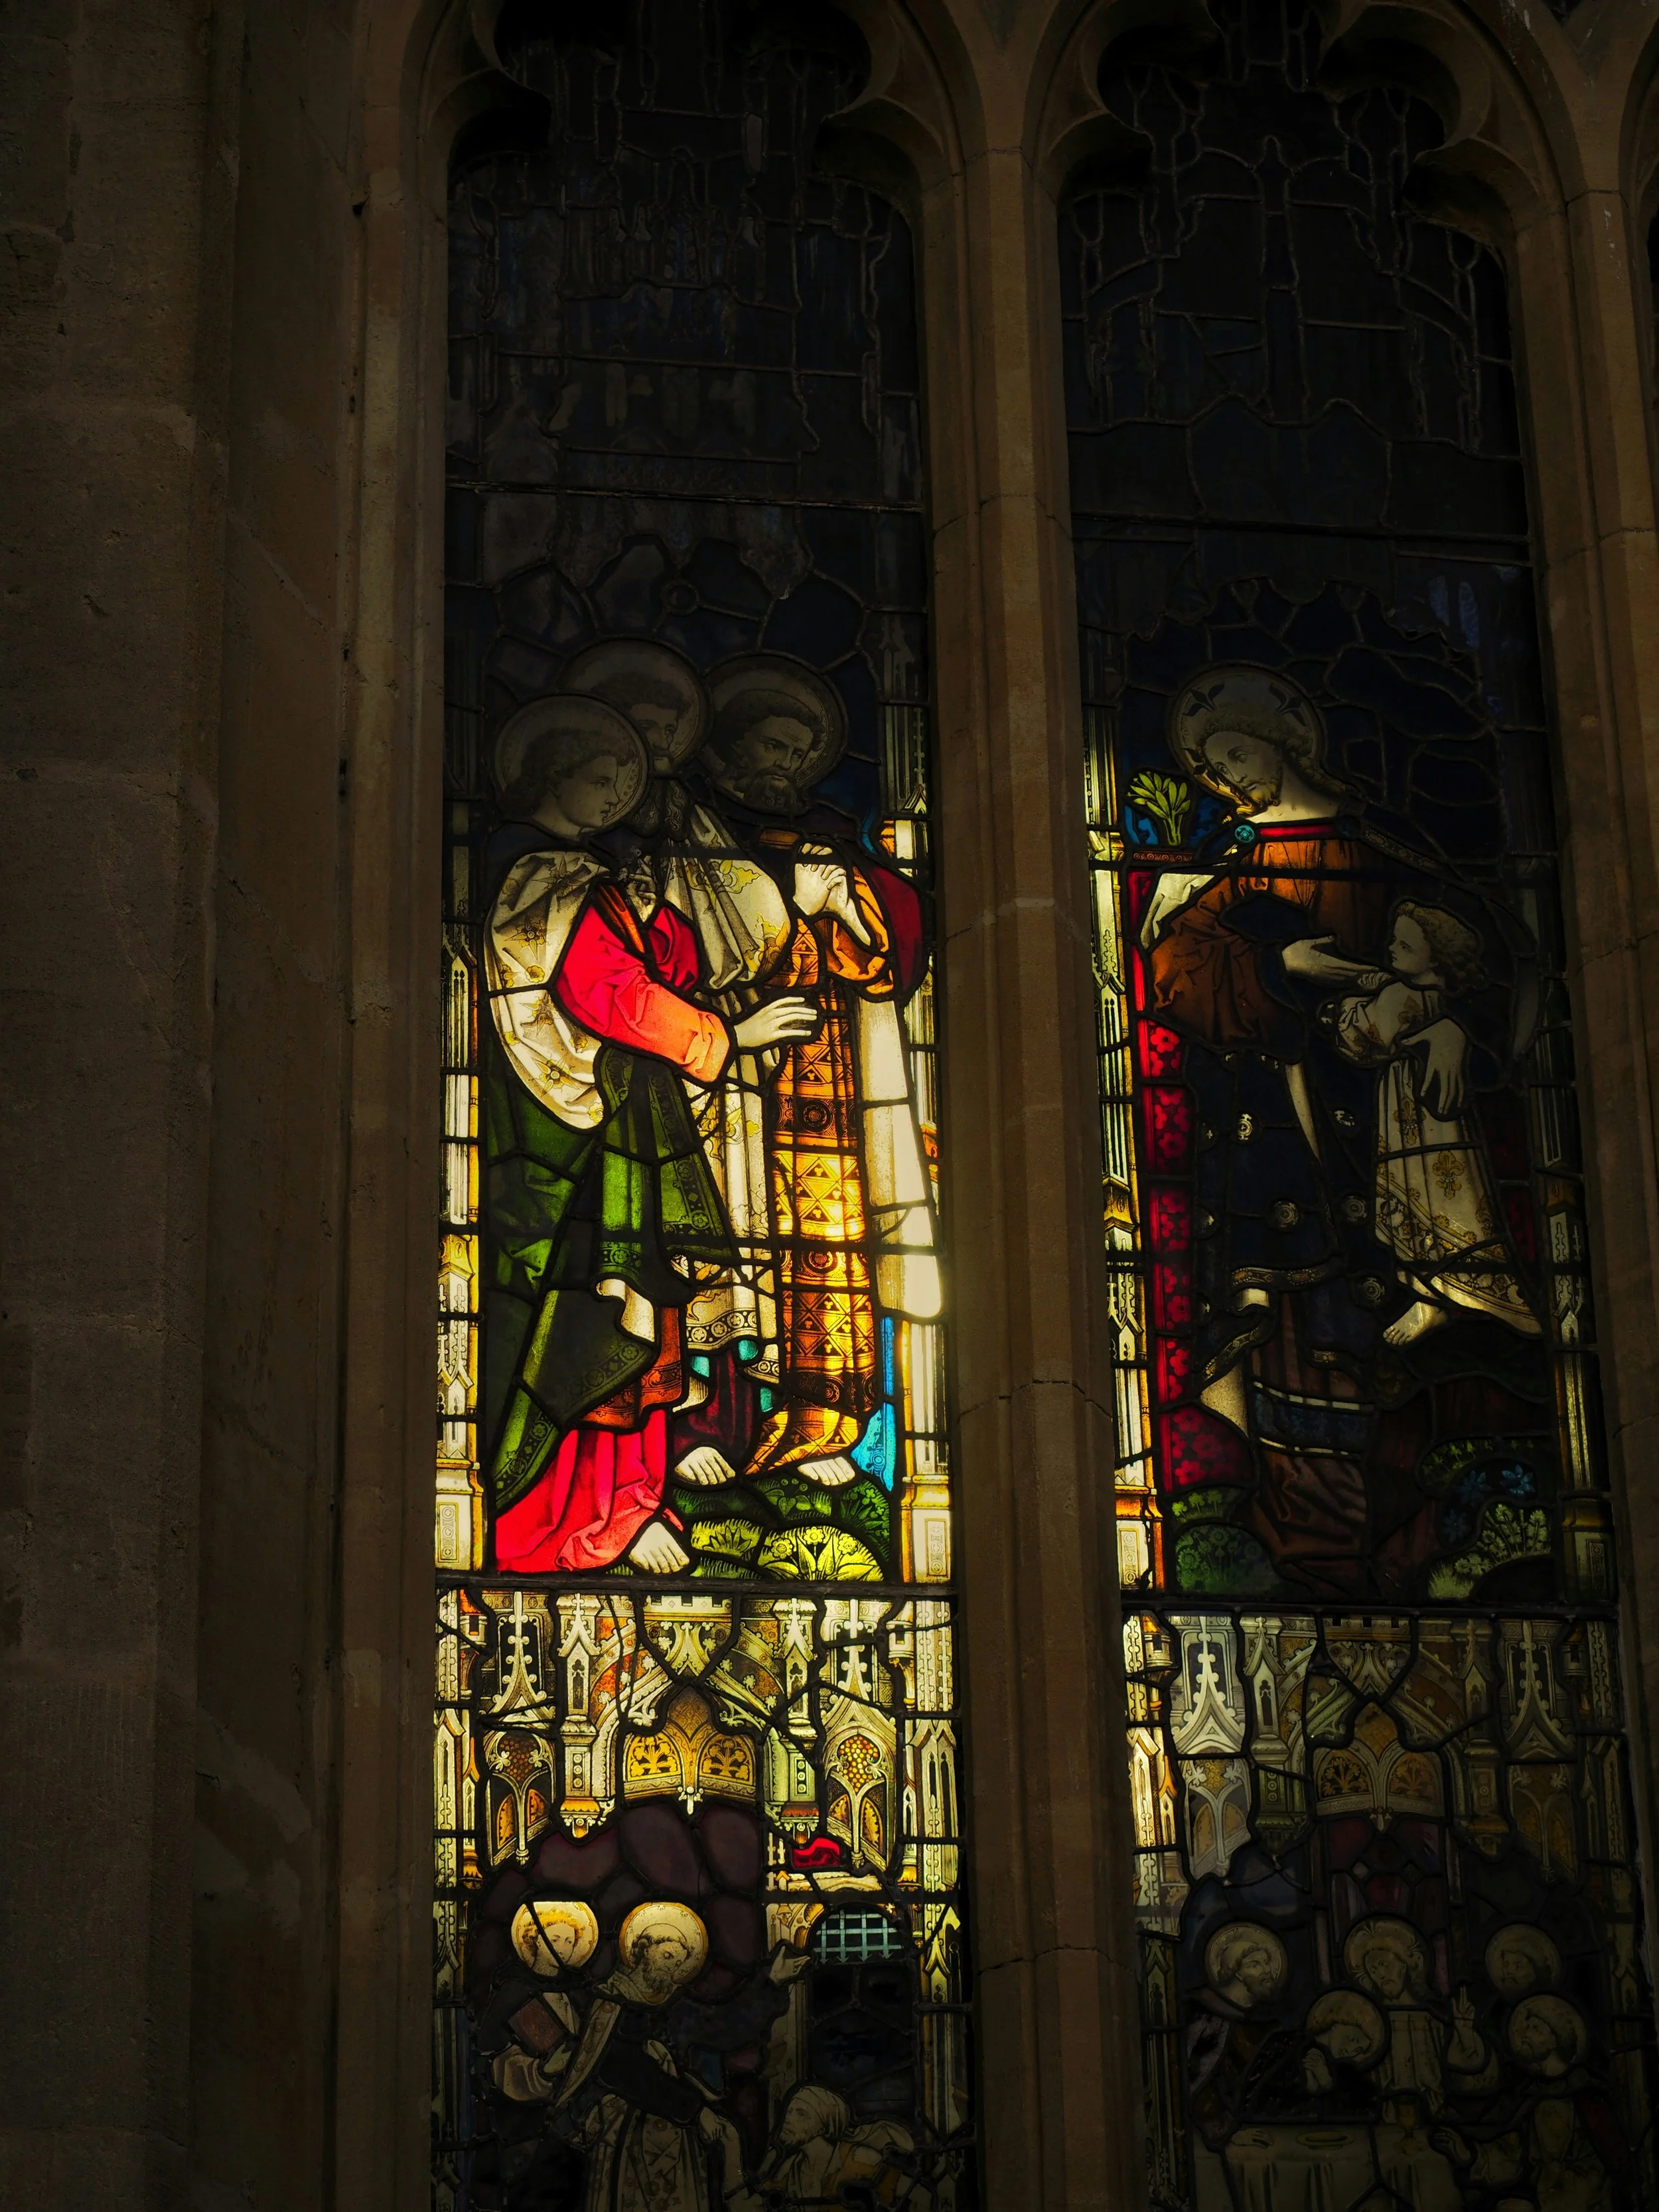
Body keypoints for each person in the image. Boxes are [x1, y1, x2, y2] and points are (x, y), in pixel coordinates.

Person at [1138, 666, 1482, 1591]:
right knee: (1297, 1331)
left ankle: (1405, 1535)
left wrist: (1443, 1017)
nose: (1227, 780)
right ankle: (1310, 1549)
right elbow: (1172, 974)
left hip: (1395, 1138)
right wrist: (1282, 964)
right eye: (1210, 768)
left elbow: (1468, 956)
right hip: (1276, 1151)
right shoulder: (1231, 868)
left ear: (1285, 743)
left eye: (1235, 754)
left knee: (1390, 1343)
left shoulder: (1382, 855)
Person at [480, 694, 818, 1574]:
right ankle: (581, 1515)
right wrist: (725, 1038)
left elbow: (645, 964)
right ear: (551, 773)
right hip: (573, 1144)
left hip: (606, 1124)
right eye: (600, 779)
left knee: (632, 1309)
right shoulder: (540, 880)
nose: (612, 800)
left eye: (621, 785)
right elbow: (611, 994)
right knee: (594, 1316)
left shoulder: (584, 878)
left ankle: (632, 1501)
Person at [689, 655, 942, 1490]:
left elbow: (890, 955)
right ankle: (707, 1418)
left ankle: (824, 1421)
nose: (783, 767)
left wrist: (844, 905)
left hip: (829, 1077)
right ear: (725, 752)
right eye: (768, 745)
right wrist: (788, 908)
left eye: (799, 752)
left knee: (830, 1241)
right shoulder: (691, 837)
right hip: (728, 1077)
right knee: (723, 1235)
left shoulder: (837, 839)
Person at [1331, 901, 1539, 1345]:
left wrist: (1348, 1002)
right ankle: (1450, 1293)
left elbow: (1361, 1041)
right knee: (1452, 1198)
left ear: (1437, 958)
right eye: (1393, 939)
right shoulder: (1435, 1000)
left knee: (1423, 1197)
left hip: (1414, 1125)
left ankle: (1432, 1296)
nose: (1391, 947)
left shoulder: (1399, 997)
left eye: (1404, 944)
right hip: (1444, 1128)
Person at [553, 1903, 807, 2212]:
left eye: (679, 1963)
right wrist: (695, 2110)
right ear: (642, 1951)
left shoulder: (676, 2006)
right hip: (625, 2134)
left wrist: (772, 1981)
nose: (672, 1969)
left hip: (679, 2132)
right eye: (667, 1957)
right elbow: (627, 2071)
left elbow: (724, 2028)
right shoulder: (610, 2005)